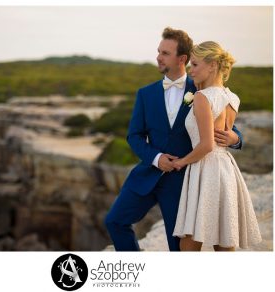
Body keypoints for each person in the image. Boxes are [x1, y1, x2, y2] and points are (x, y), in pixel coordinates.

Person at [105, 27, 243, 251]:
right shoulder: (145, 94)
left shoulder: (201, 90)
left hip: (184, 181)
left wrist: (235, 137)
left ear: (182, 59)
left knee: (177, 245)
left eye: (165, 53)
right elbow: (134, 136)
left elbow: (225, 128)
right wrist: (156, 158)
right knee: (114, 221)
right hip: (148, 173)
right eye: (159, 51)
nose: (158, 57)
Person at [172, 41, 262, 251]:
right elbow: (221, 135)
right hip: (226, 169)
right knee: (224, 238)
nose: (190, 70)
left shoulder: (203, 97)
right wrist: (233, 139)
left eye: (194, 65)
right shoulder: (233, 97)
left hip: (205, 168)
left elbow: (206, 145)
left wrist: (181, 162)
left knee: (190, 240)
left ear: (212, 65)